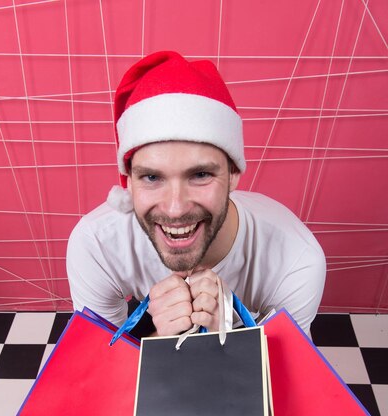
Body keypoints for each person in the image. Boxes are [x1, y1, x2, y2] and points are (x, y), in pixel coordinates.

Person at [67, 51, 326, 337]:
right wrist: (157, 340)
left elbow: (283, 376)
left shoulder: (296, 259)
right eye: (152, 177)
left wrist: (223, 341)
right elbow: (98, 369)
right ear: (128, 182)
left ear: (233, 173)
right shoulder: (96, 243)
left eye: (200, 175)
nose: (175, 208)